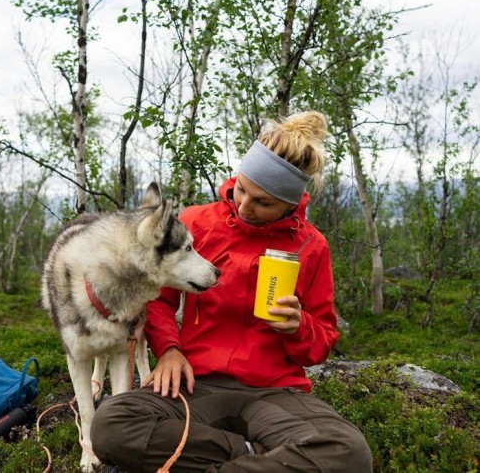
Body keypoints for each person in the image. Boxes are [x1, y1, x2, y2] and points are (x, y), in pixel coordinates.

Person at [90, 111, 373, 472]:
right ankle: (255, 456)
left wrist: (298, 326)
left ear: (290, 203)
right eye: (241, 188)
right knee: (111, 425)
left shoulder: (311, 247)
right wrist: (171, 351)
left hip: (274, 392)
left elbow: (322, 342)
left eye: (263, 202)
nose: (244, 206)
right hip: (195, 385)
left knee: (349, 453)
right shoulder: (197, 224)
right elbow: (157, 299)